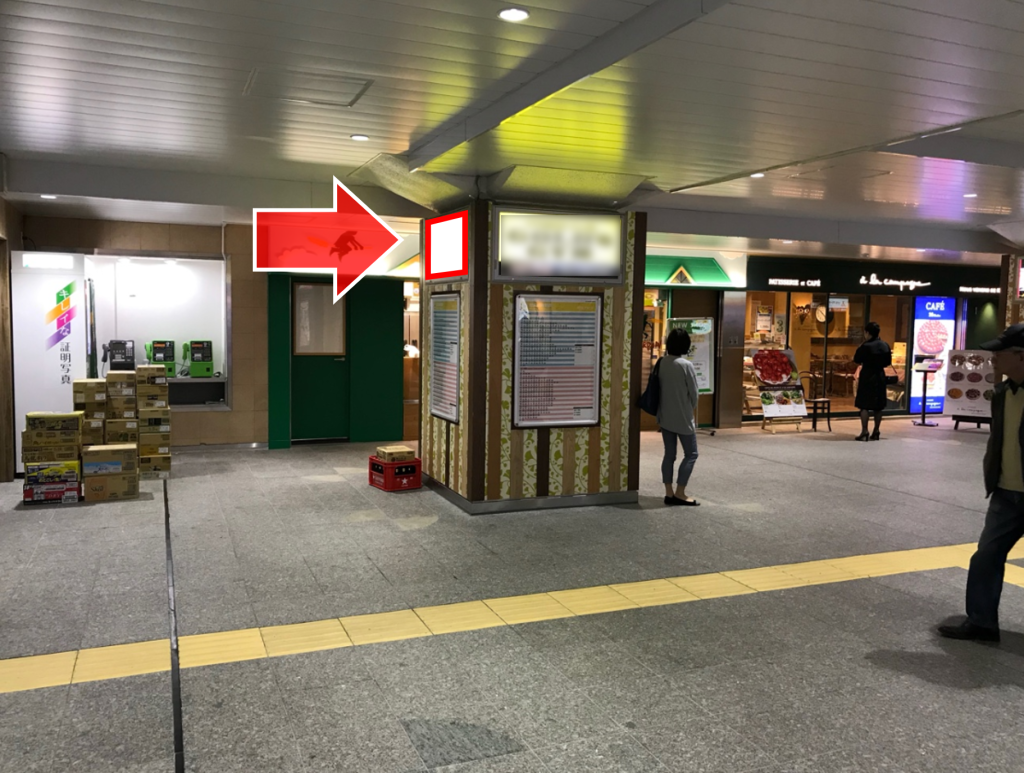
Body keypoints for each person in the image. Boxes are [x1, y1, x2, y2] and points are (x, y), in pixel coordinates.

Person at [939, 323, 1024, 643]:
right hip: (1005, 491)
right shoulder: (1001, 393)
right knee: (986, 556)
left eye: (1000, 353)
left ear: (1021, 356)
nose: (993, 359)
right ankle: (982, 622)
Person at [658, 328, 700, 506]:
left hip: (665, 415)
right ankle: (680, 492)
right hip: (683, 417)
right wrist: (690, 408)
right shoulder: (685, 365)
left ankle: (668, 492)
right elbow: (694, 394)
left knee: (669, 454)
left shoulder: (661, 362)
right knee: (691, 453)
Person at [853, 321, 892, 441]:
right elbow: (888, 362)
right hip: (880, 375)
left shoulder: (865, 346)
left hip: (867, 376)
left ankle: (864, 430)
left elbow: (857, 359)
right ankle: (876, 430)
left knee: (864, 405)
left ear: (867, 333)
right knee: (878, 406)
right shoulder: (885, 345)